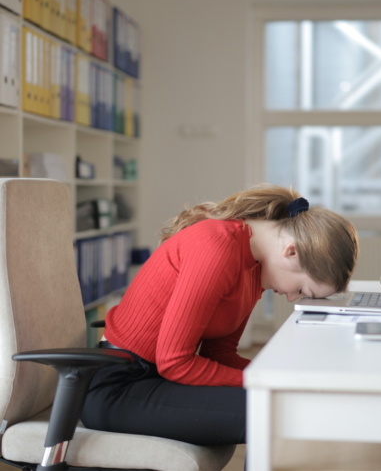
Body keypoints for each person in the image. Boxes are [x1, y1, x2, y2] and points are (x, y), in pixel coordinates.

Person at [80, 184, 358, 447]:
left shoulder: (255, 268)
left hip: (157, 380)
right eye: (301, 289)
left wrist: (280, 376)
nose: (292, 297)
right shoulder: (218, 247)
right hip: (119, 388)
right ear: (292, 251)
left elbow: (220, 354)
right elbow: (174, 362)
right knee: (276, 411)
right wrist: (265, 380)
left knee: (282, 401)